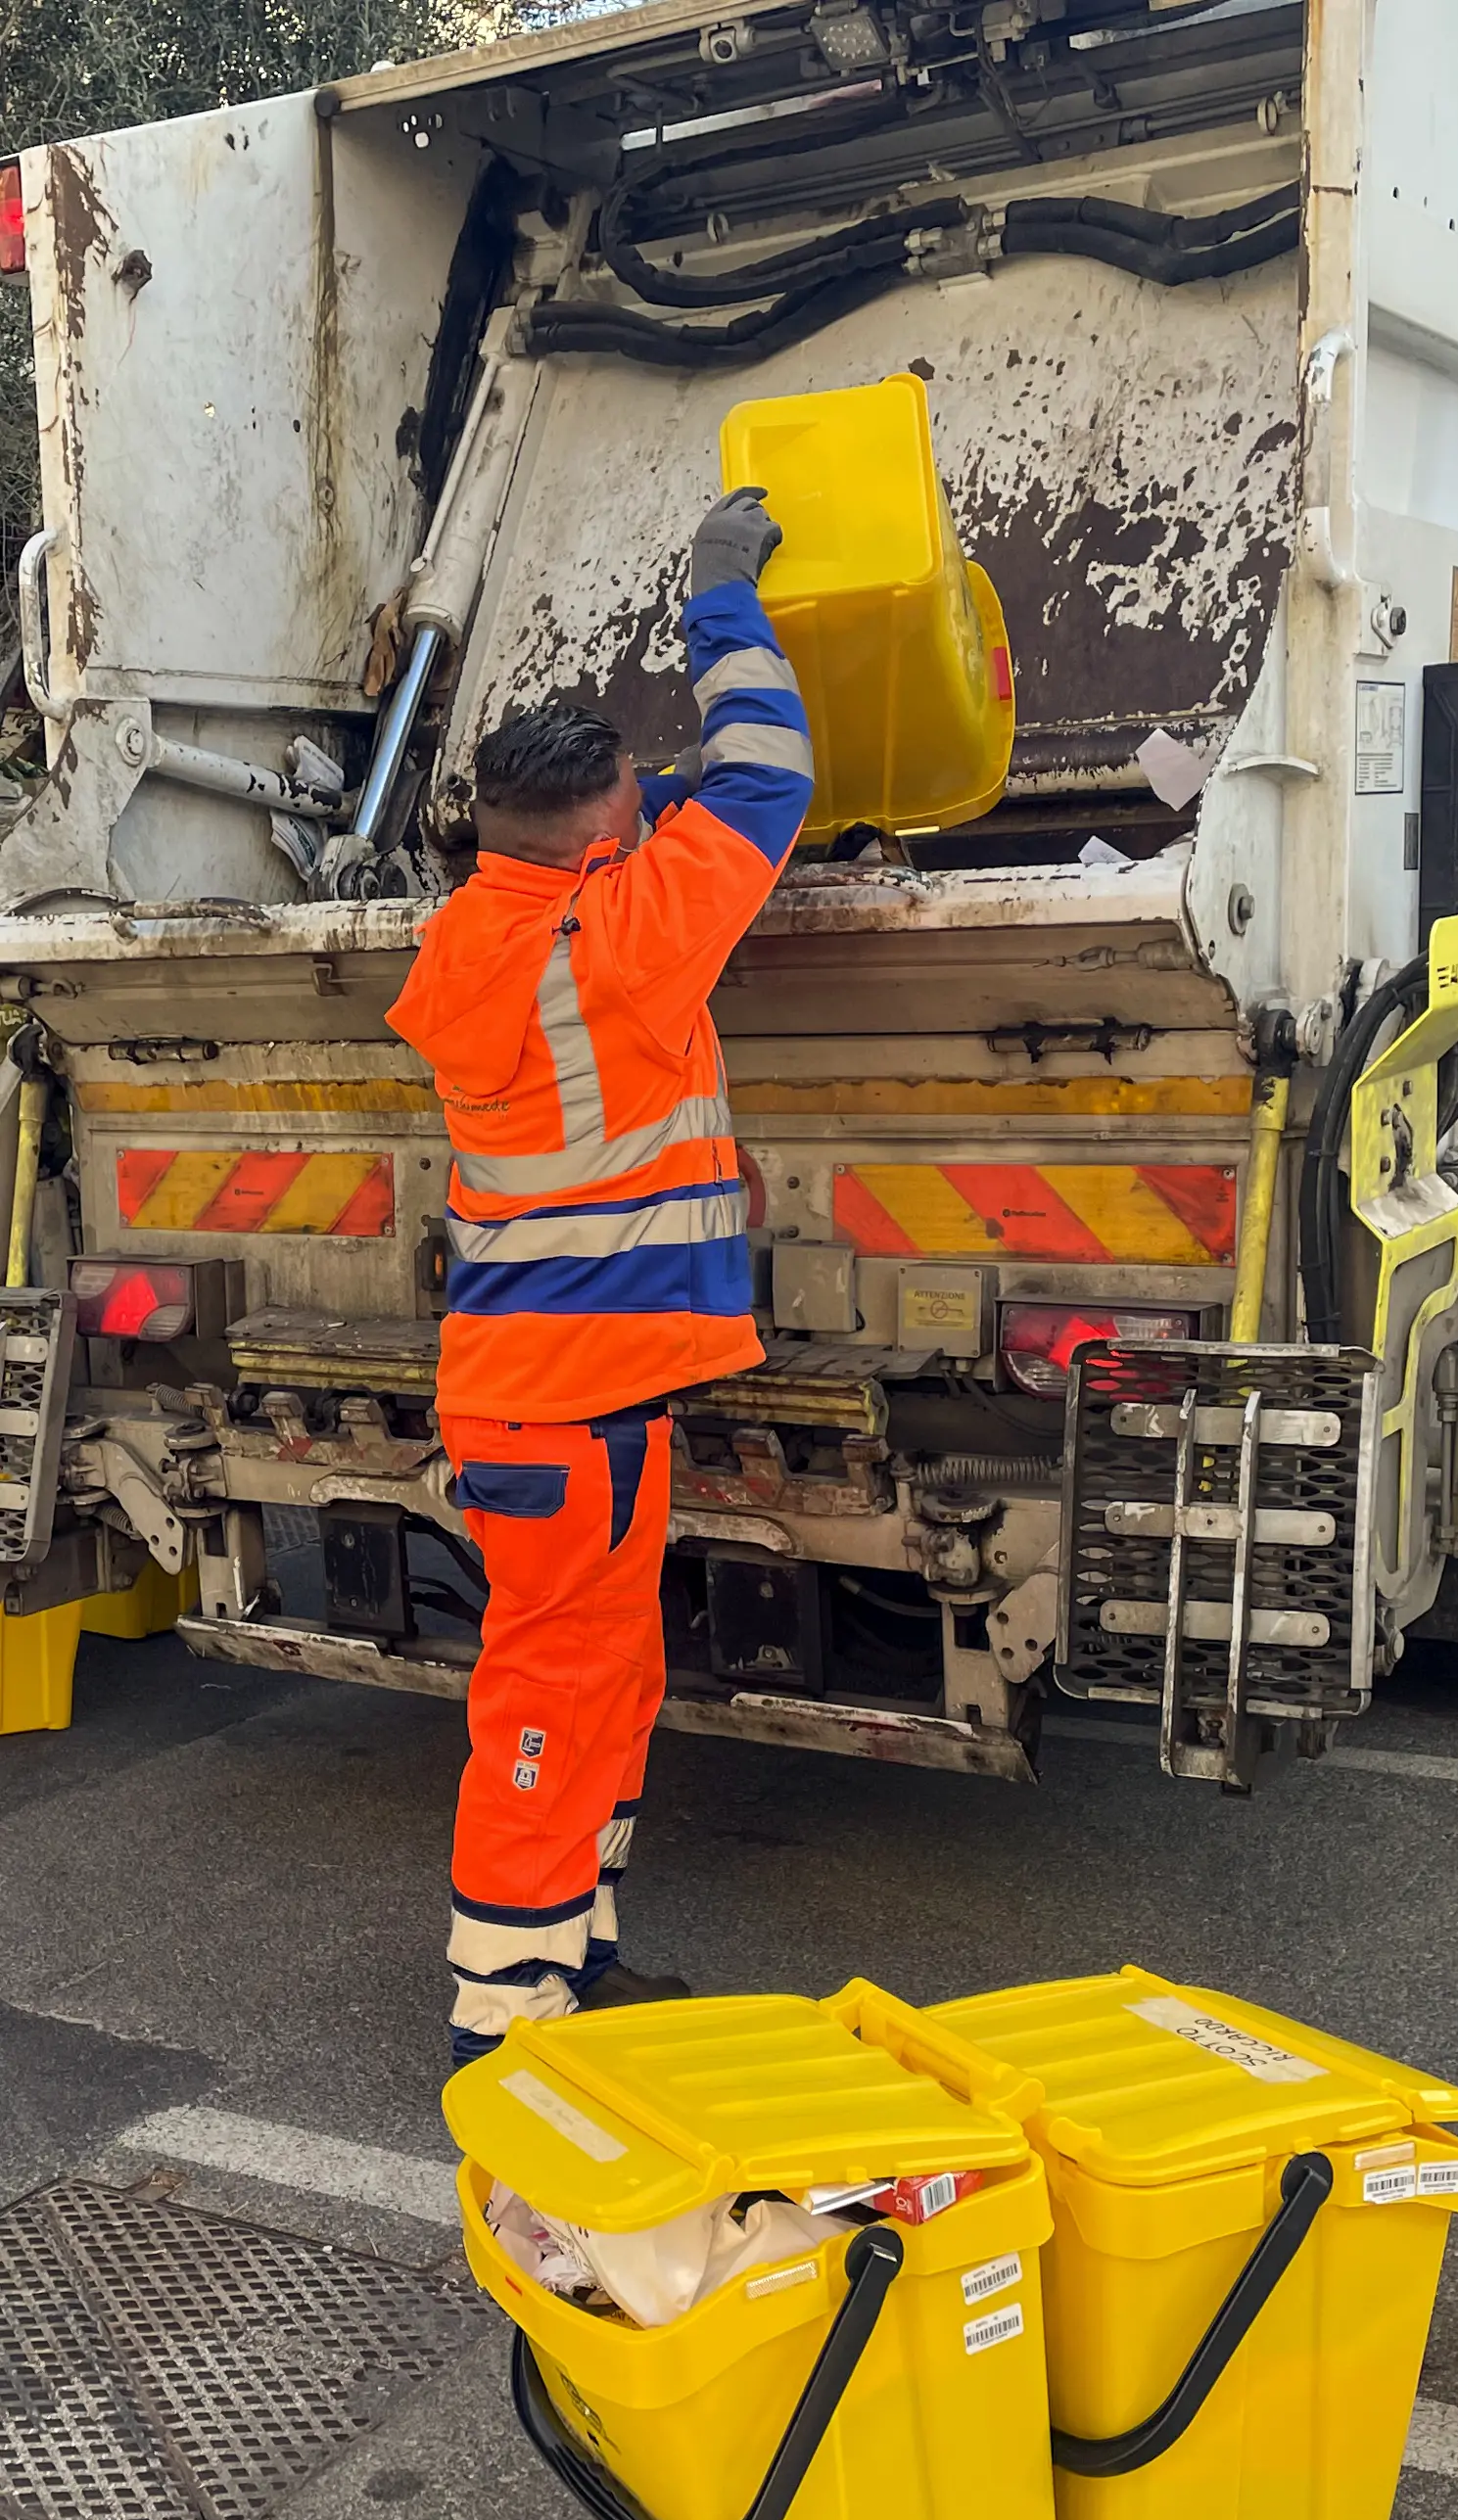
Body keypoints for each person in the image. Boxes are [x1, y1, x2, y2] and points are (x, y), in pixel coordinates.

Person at [388, 489, 811, 2062]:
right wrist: (717, 595)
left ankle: (574, 1947)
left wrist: (652, 810)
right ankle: (500, 2010)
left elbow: (659, 831)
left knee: (610, 1673)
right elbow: (771, 772)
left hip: (545, 1395)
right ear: (605, 842)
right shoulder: (624, 939)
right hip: (575, 1410)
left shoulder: (477, 938)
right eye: (636, 809)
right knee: (551, 1696)